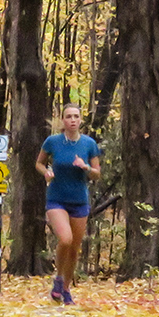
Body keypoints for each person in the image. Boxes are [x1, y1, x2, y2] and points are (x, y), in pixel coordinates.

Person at [35, 104, 101, 305]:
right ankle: (58, 278)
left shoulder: (89, 144)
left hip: (79, 201)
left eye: (76, 116)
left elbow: (97, 174)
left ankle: (64, 290)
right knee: (65, 239)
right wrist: (46, 172)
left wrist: (86, 166)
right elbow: (39, 163)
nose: (73, 120)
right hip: (56, 199)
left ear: (81, 120)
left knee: (74, 249)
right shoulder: (52, 142)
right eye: (68, 116)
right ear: (63, 121)